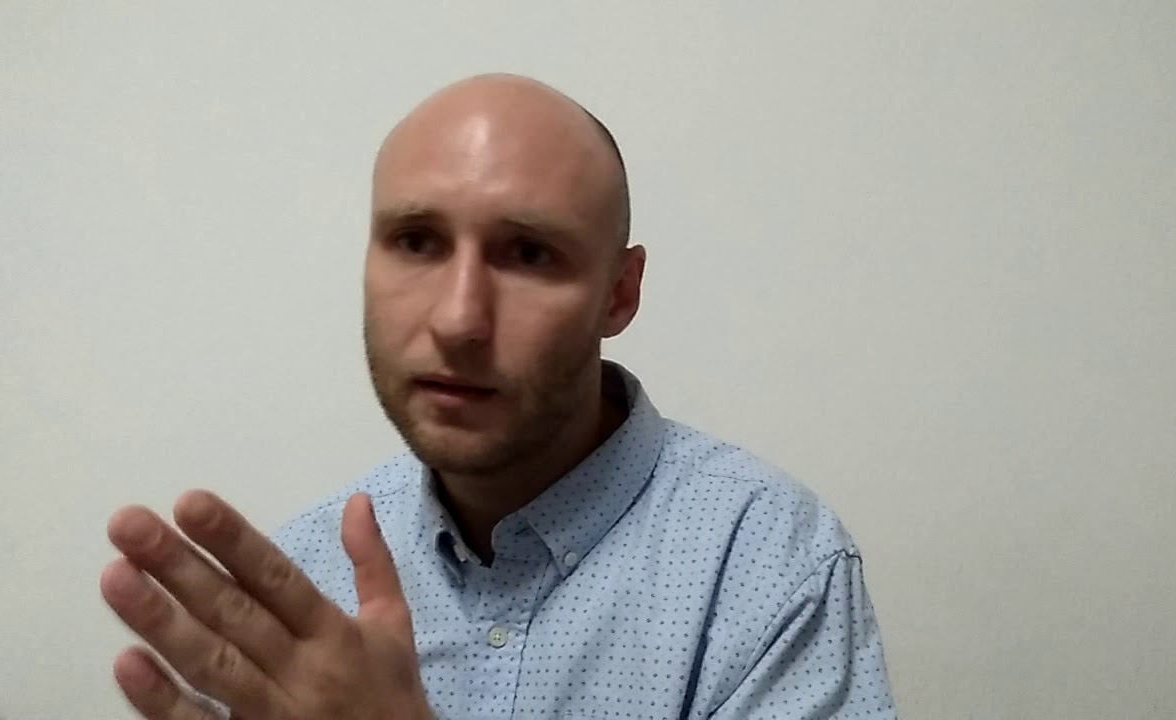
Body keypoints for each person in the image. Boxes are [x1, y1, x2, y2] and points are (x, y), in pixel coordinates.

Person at [99, 73, 897, 719]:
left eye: (528, 253)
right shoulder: (301, 597)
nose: (458, 320)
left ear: (620, 294)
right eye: (417, 241)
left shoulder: (770, 567)